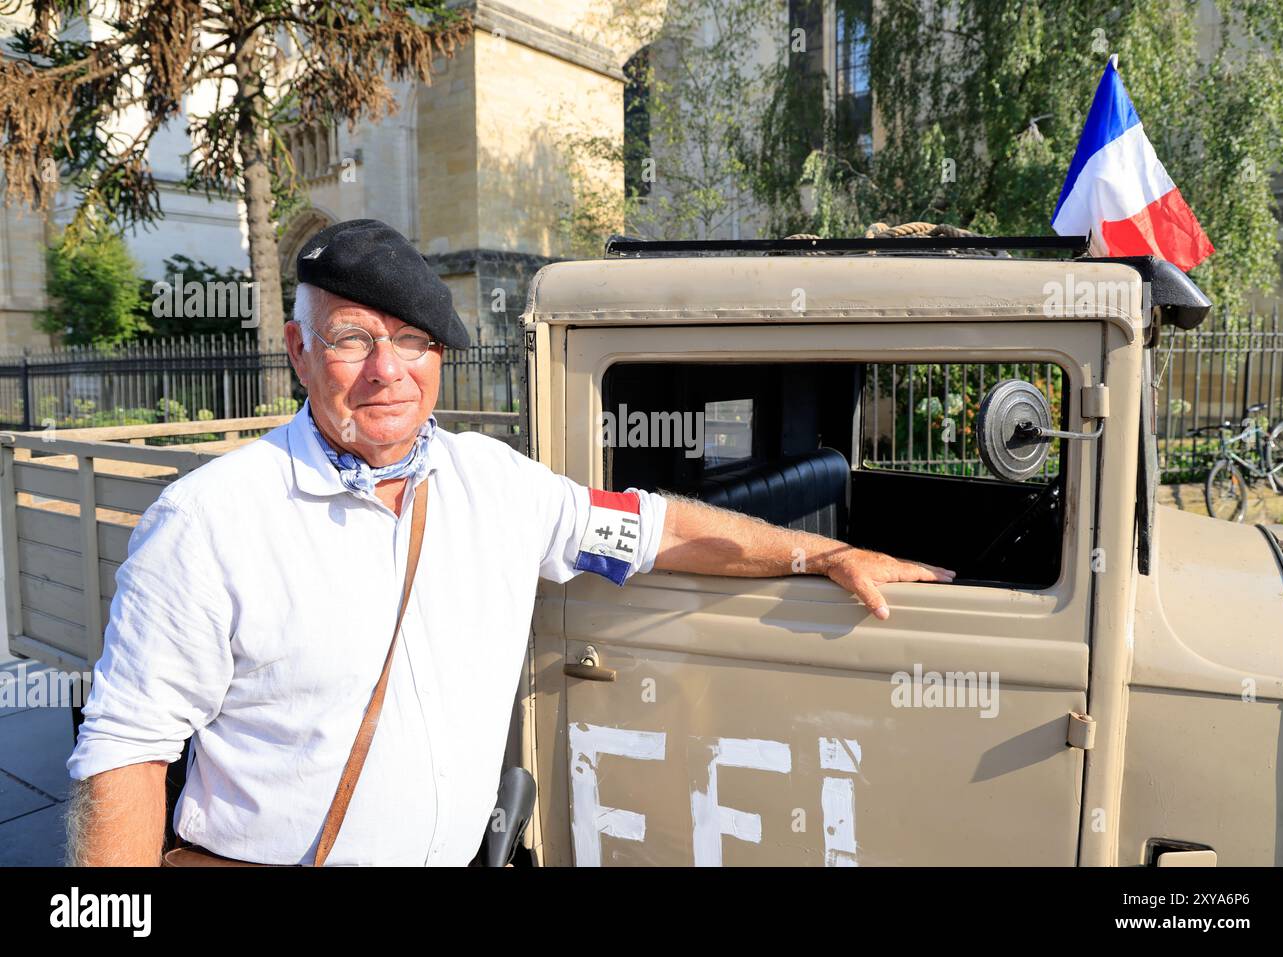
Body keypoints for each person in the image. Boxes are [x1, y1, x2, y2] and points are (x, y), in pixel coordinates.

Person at [65, 219, 954, 866]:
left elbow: (659, 531)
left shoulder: (495, 484)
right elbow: (124, 752)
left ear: (440, 357)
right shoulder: (211, 520)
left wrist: (818, 555)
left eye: (413, 340)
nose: (388, 369)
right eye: (351, 337)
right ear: (298, 349)